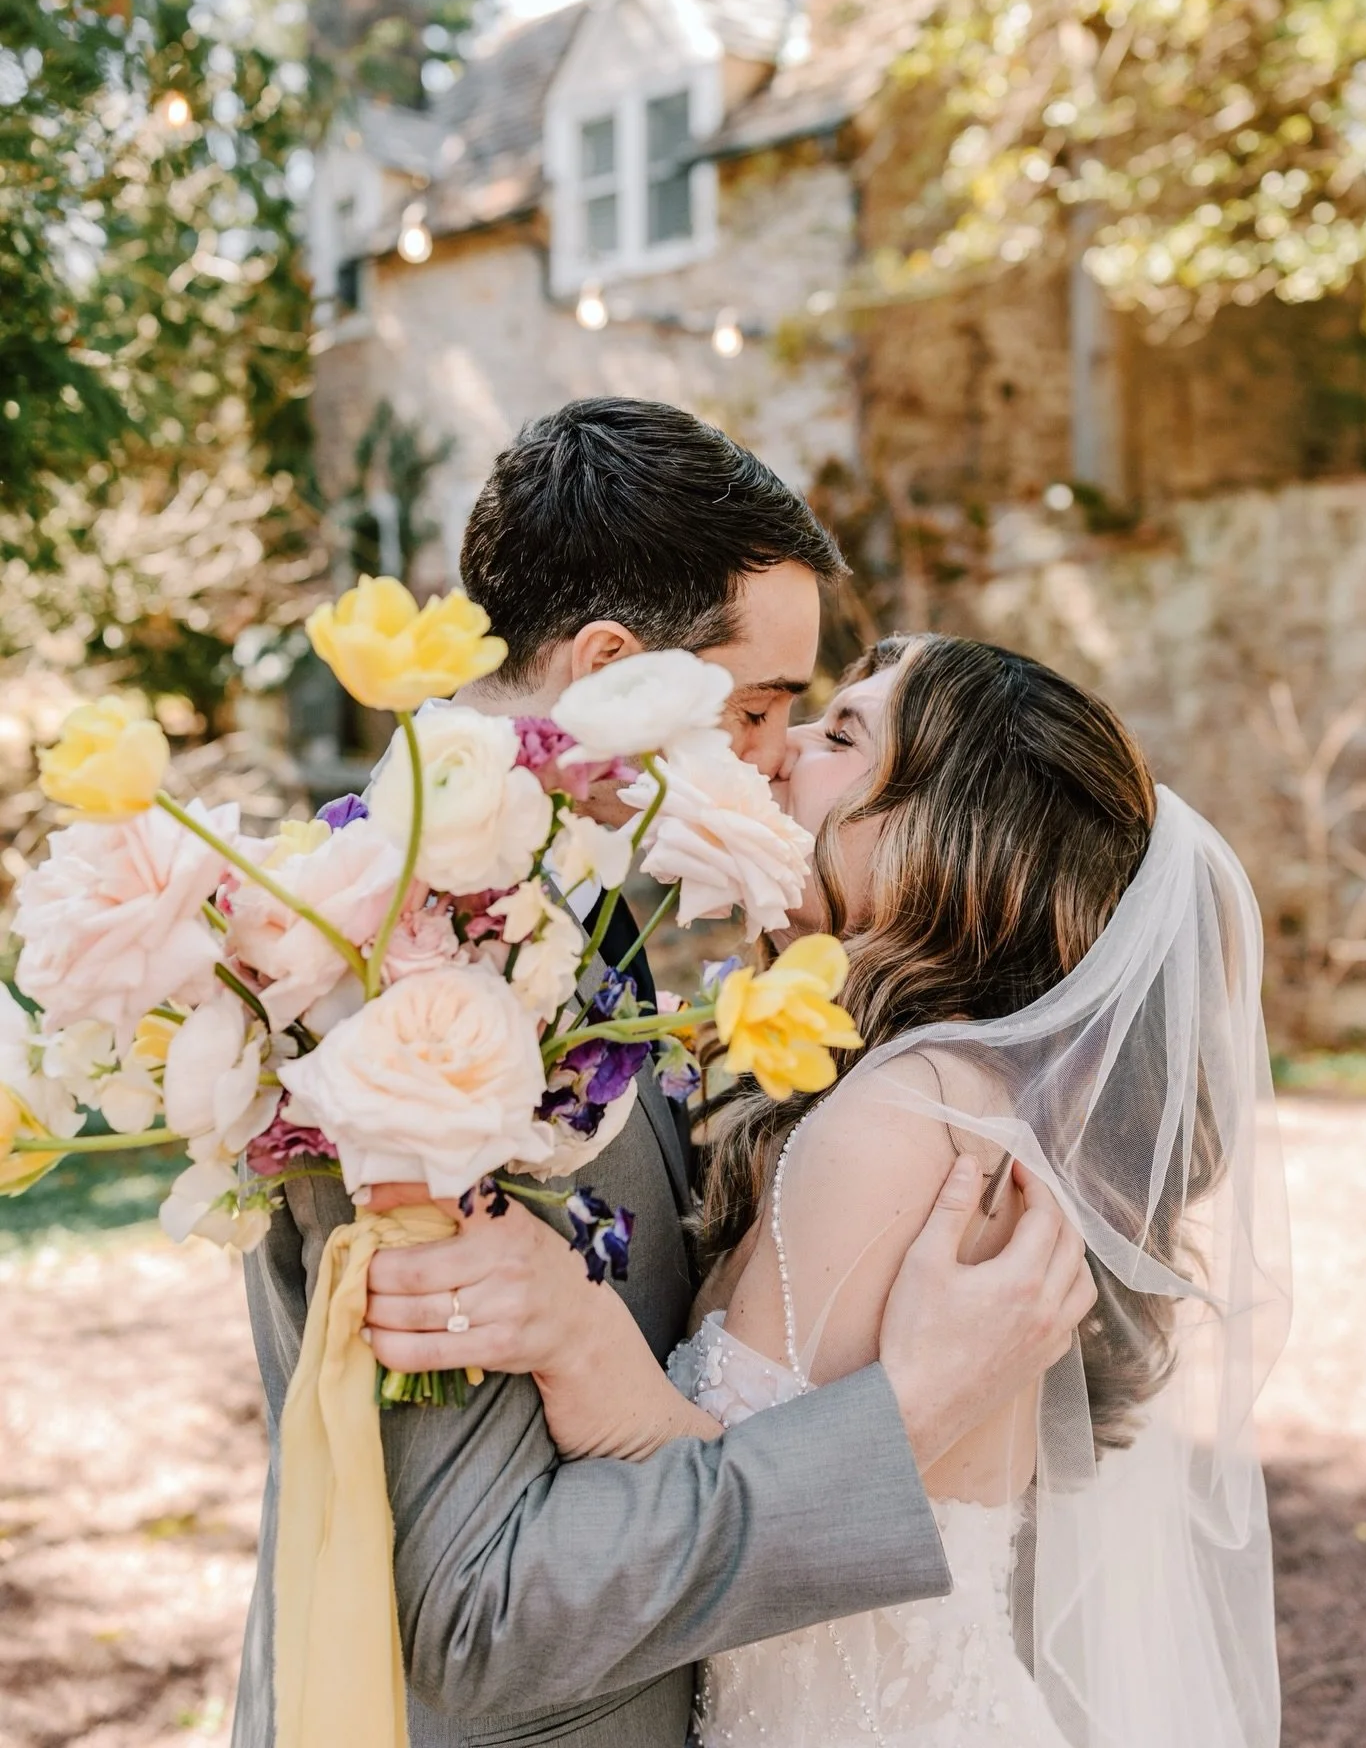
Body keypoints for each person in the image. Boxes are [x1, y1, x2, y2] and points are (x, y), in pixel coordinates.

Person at [233, 402, 1096, 1748]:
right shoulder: (407, 983)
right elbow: (486, 1618)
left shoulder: (586, 928)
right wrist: (909, 1414)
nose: (773, 759)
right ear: (614, 672)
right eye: (757, 709)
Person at [369, 635, 1292, 1748]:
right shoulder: (964, 1097)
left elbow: (759, 1558)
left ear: (944, 840)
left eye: (842, 734)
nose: (779, 747)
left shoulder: (905, 1114)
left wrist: (577, 1338)